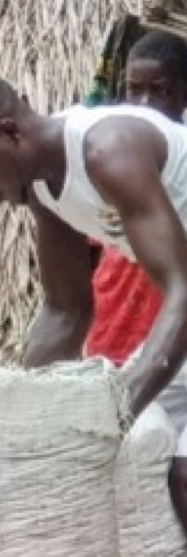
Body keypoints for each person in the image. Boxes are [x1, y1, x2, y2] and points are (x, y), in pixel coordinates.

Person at [0, 70, 187, 535]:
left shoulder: (109, 151)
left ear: (10, 133)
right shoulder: (44, 188)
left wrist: (115, 411)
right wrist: (22, 408)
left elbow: (182, 290)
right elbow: (65, 309)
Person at [86, 28, 187, 364]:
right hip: (109, 328)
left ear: (184, 94)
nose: (145, 104)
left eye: (160, 91)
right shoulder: (108, 154)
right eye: (134, 90)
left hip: (167, 341)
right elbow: (91, 247)